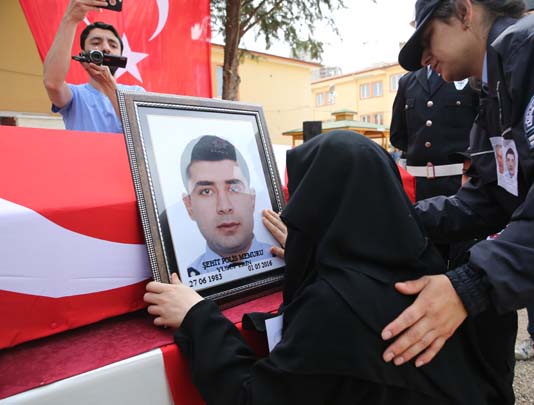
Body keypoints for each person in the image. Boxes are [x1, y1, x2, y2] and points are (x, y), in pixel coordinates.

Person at [144, 131, 513, 405]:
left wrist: (197, 316)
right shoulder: (431, 274)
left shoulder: (335, 304)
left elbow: (253, 398)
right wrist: (312, 250)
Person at [380, 1, 534, 404]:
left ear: (464, 11)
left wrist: (470, 286)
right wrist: (392, 220)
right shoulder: (497, 83)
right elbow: (491, 197)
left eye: (427, 38)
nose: (424, 59)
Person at [43, 0, 144, 133]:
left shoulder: (136, 93)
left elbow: (141, 129)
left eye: (113, 45)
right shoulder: (75, 95)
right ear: (83, 53)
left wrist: (108, 84)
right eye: (96, 42)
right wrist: (71, 19)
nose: (105, 48)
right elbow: (52, 84)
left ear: (120, 54)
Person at [181, 135, 273, 276]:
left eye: (234, 188)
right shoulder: (185, 281)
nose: (224, 207)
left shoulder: (286, 259)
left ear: (252, 199)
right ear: (189, 206)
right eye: (206, 191)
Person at [390, 65, 478, 201]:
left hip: (459, 183)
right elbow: (397, 134)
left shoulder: (468, 75)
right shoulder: (407, 81)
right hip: (417, 186)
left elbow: (483, 129)